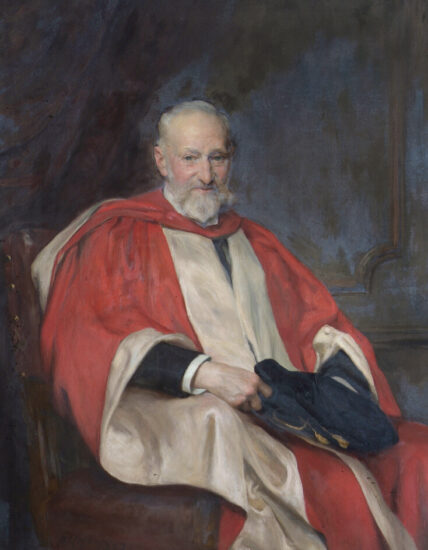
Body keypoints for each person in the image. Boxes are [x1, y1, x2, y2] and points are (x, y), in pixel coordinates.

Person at [32, 100, 428, 550]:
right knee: (331, 488)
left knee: (417, 455)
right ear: (161, 160)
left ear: (231, 159)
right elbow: (93, 338)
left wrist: (336, 389)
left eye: (216, 158)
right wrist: (206, 373)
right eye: (190, 158)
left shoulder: (255, 241)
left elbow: (320, 323)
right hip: (197, 418)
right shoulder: (118, 236)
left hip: (286, 415)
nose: (206, 175)